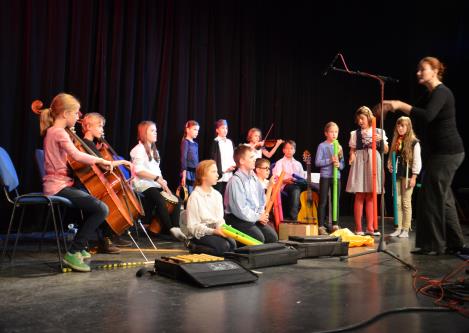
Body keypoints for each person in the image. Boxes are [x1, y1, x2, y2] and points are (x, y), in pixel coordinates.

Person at [383, 56, 466, 255]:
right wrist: (390, 106)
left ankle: (433, 245)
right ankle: (455, 243)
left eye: (423, 69)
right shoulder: (430, 95)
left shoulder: (442, 92)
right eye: (418, 69)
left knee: (430, 198)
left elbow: (428, 115)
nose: (419, 73)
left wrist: (399, 104)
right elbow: (416, 112)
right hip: (441, 153)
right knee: (443, 198)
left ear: (435, 70)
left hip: (449, 152)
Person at [39, 93, 115, 272]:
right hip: (57, 187)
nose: (77, 117)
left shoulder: (55, 131)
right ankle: (73, 252)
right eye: (75, 114)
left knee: (93, 205)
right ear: (65, 114)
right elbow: (76, 155)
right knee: (102, 208)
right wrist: (101, 160)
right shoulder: (58, 132)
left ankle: (80, 247)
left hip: (59, 184)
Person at [81, 112, 133, 252]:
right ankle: (105, 239)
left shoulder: (90, 144)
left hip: (93, 184)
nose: (102, 129)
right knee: (105, 205)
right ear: (88, 127)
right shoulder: (86, 144)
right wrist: (123, 162)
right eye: (99, 126)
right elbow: (105, 166)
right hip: (87, 186)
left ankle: (110, 236)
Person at [130, 121, 186, 241]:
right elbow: (138, 170)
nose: (156, 133)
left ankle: (176, 228)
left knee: (177, 200)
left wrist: (164, 184)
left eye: (156, 130)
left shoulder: (154, 150)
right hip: (142, 184)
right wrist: (157, 179)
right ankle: (171, 229)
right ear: (144, 133)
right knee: (160, 200)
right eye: (152, 131)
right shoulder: (138, 149)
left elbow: (157, 170)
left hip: (154, 183)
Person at [346, 106, 388, 236]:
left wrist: (380, 141)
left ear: (369, 118)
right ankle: (358, 228)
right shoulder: (355, 133)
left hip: (374, 161)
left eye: (362, 118)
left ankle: (370, 227)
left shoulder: (379, 131)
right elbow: (352, 149)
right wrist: (351, 155)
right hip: (360, 161)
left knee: (371, 194)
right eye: (358, 119)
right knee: (360, 194)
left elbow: (386, 150)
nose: (360, 121)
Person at [224, 145, 278, 243]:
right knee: (258, 239)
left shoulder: (254, 179)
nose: (254, 160)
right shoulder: (236, 181)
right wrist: (257, 217)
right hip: (237, 219)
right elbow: (240, 210)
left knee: (272, 237)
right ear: (241, 161)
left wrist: (261, 215)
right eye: (251, 157)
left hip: (252, 218)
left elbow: (261, 200)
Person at [183, 160, 236, 256]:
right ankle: (193, 246)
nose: (217, 175)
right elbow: (193, 226)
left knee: (232, 244)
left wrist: (222, 229)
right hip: (201, 234)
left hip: (215, 231)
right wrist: (213, 231)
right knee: (223, 247)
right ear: (203, 176)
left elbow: (220, 219)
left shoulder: (217, 195)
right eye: (213, 172)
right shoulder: (195, 197)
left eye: (217, 171)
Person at [387, 117, 422, 238]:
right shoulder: (396, 141)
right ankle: (399, 227)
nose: (400, 128)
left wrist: (414, 176)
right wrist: (390, 165)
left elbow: (417, 160)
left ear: (408, 127)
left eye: (403, 126)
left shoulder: (414, 142)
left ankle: (406, 229)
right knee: (397, 202)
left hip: (408, 174)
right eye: (398, 126)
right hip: (397, 173)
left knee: (406, 202)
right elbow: (392, 157)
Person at [315, 122, 345, 234]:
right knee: (323, 201)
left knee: (335, 201)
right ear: (326, 133)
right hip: (325, 176)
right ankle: (321, 226)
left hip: (336, 177)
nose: (334, 134)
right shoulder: (322, 146)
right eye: (331, 132)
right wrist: (330, 161)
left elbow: (342, 164)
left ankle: (335, 224)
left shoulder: (339, 146)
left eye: (336, 132)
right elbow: (317, 162)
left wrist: (339, 165)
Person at [272, 140, 306, 220]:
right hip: (285, 185)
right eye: (287, 148)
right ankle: (293, 217)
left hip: (297, 183)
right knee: (295, 189)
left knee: (312, 186)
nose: (289, 151)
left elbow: (302, 177)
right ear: (283, 150)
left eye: (291, 148)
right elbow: (275, 178)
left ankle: (310, 215)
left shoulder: (298, 164)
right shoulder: (280, 163)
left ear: (294, 150)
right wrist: (285, 180)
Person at [210, 119, 236, 197]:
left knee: (228, 196)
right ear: (217, 130)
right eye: (222, 128)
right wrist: (224, 170)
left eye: (226, 128)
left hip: (230, 173)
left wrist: (234, 166)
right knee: (219, 194)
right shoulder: (216, 142)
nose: (225, 130)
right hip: (220, 174)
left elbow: (232, 155)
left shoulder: (229, 142)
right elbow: (214, 159)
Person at [180, 120, 200, 194]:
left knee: (195, 192)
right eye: (195, 129)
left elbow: (197, 160)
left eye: (198, 130)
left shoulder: (195, 144)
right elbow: (183, 159)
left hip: (195, 173)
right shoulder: (185, 142)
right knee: (189, 193)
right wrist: (184, 175)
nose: (197, 132)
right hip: (188, 173)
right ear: (188, 130)